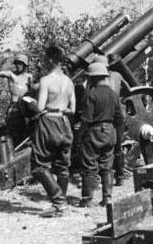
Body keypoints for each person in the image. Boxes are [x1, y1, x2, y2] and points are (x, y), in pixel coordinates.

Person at [31, 45, 75, 217]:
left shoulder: (46, 80)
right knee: (62, 167)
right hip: (65, 122)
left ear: (50, 59)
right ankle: (61, 204)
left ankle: (58, 201)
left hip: (49, 122)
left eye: (44, 58)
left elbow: (40, 107)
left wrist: (30, 102)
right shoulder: (69, 82)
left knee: (38, 167)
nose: (43, 61)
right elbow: (73, 108)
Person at [78, 61, 125, 207]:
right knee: (107, 166)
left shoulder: (90, 94)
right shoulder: (113, 94)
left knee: (89, 166)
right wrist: (112, 129)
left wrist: (80, 135)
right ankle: (107, 198)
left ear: (93, 78)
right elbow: (120, 117)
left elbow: (86, 119)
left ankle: (87, 199)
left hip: (93, 132)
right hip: (110, 133)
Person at [90, 53, 128, 185]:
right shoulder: (117, 75)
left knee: (96, 149)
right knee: (117, 147)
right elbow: (129, 90)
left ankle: (97, 178)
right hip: (118, 115)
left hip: (102, 118)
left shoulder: (94, 82)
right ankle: (120, 177)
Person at [0, 50, 36, 144]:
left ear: (25, 65)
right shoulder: (11, 74)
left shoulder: (29, 77)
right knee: (12, 132)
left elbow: (32, 92)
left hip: (26, 108)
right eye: (17, 63)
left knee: (26, 132)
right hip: (15, 107)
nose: (18, 66)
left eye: (21, 64)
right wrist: (2, 59)